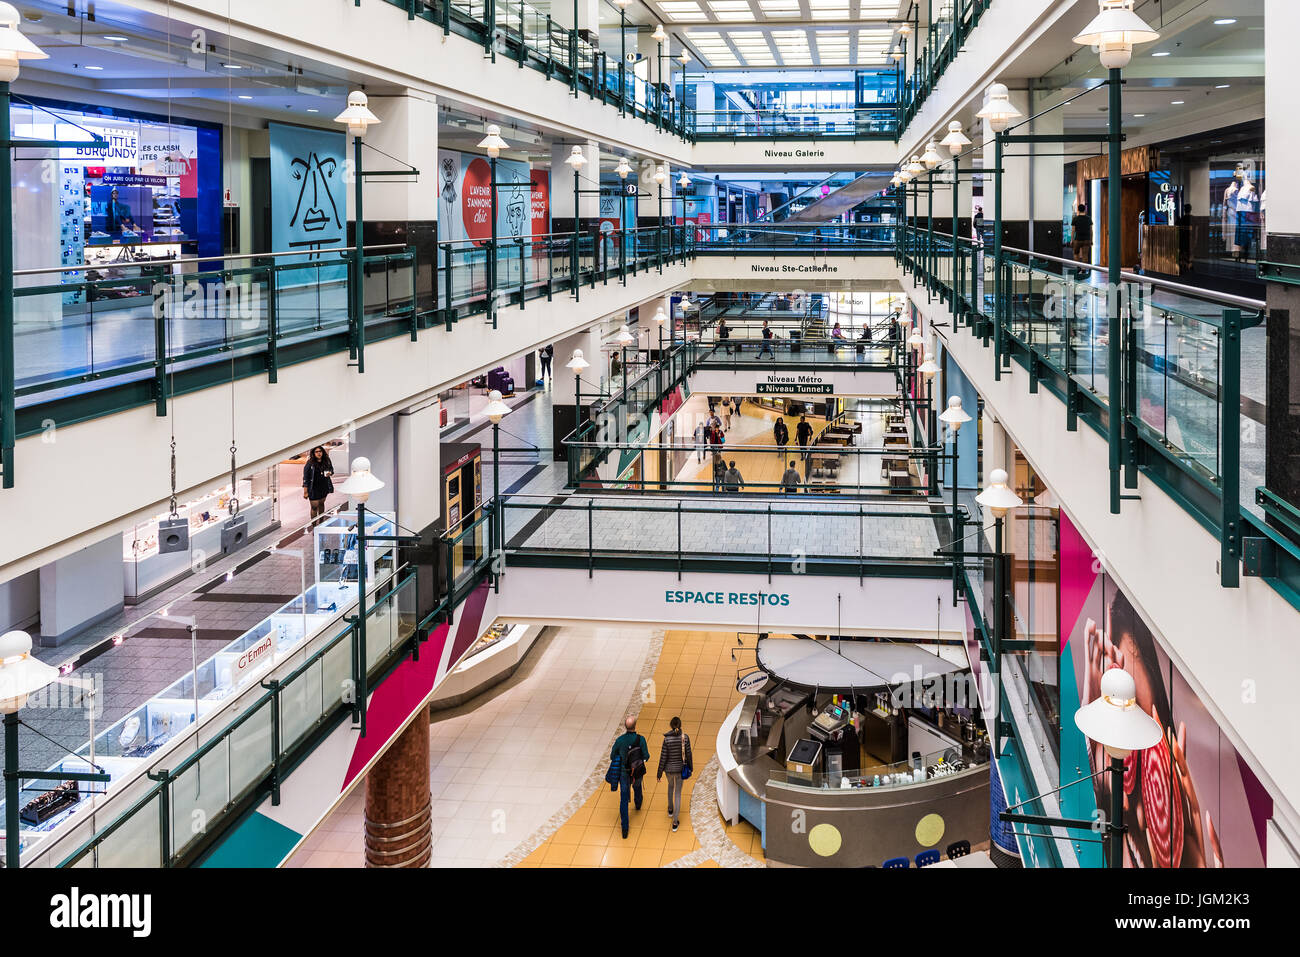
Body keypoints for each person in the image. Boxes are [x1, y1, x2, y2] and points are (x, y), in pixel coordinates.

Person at [610, 716, 651, 839]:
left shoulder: (620, 740)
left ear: (625, 727)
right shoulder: (641, 739)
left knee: (623, 799)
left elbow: (613, 756)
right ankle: (638, 803)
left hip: (623, 773)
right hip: (637, 771)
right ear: (635, 726)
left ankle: (625, 828)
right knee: (637, 787)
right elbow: (646, 756)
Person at [656, 716, 694, 832]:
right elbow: (688, 755)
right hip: (680, 770)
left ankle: (670, 809)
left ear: (671, 726)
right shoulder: (685, 738)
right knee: (678, 793)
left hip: (668, 770)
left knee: (670, 787)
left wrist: (659, 773)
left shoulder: (666, 740)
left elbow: (663, 757)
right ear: (680, 725)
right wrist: (691, 768)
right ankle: (675, 822)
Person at [302, 446, 335, 520]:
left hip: (324, 486)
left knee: (321, 504)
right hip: (313, 488)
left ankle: (321, 521)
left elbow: (331, 469)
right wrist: (305, 491)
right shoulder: (310, 463)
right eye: (316, 452)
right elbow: (305, 477)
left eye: (320, 451)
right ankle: (314, 524)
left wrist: (330, 473)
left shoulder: (326, 460)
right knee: (314, 507)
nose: (319, 453)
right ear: (313, 453)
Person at [1071, 203, 1093, 269]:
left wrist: (1072, 240)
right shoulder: (1089, 219)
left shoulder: (1075, 219)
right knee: (1085, 255)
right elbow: (1091, 231)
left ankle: (1078, 267)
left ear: (1078, 210)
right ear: (1085, 210)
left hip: (1077, 239)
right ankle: (1083, 269)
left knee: (1075, 253)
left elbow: (1073, 231)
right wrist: (1091, 240)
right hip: (1086, 239)